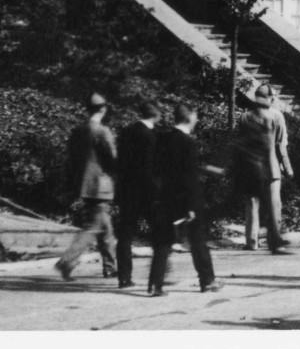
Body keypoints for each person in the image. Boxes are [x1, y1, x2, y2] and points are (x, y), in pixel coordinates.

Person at [147, 99, 220, 295]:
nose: (197, 119)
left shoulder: (162, 138)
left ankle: (155, 284)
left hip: (165, 196)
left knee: (163, 242)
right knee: (198, 240)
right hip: (187, 198)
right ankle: (207, 280)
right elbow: (188, 176)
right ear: (189, 117)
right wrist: (190, 205)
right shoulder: (188, 143)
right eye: (195, 115)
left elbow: (157, 169)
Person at [56, 92, 119, 280]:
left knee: (104, 225)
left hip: (83, 183)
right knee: (93, 225)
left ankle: (110, 267)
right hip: (101, 185)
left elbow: (71, 159)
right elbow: (113, 159)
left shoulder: (78, 131)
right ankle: (67, 261)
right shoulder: (102, 131)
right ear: (104, 109)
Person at [230, 84, 292, 253]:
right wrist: (287, 167)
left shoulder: (245, 117)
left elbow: (239, 143)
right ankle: (274, 239)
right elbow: (281, 145)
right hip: (271, 168)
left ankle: (251, 240)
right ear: (270, 98)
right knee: (273, 205)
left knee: (251, 204)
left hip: (250, 168)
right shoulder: (277, 116)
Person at [112, 94, 161, 290]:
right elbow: (152, 168)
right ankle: (158, 275)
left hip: (126, 190)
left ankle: (124, 277)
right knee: (159, 234)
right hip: (147, 192)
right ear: (156, 114)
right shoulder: (152, 136)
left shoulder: (126, 132)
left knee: (125, 235)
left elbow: (119, 162)